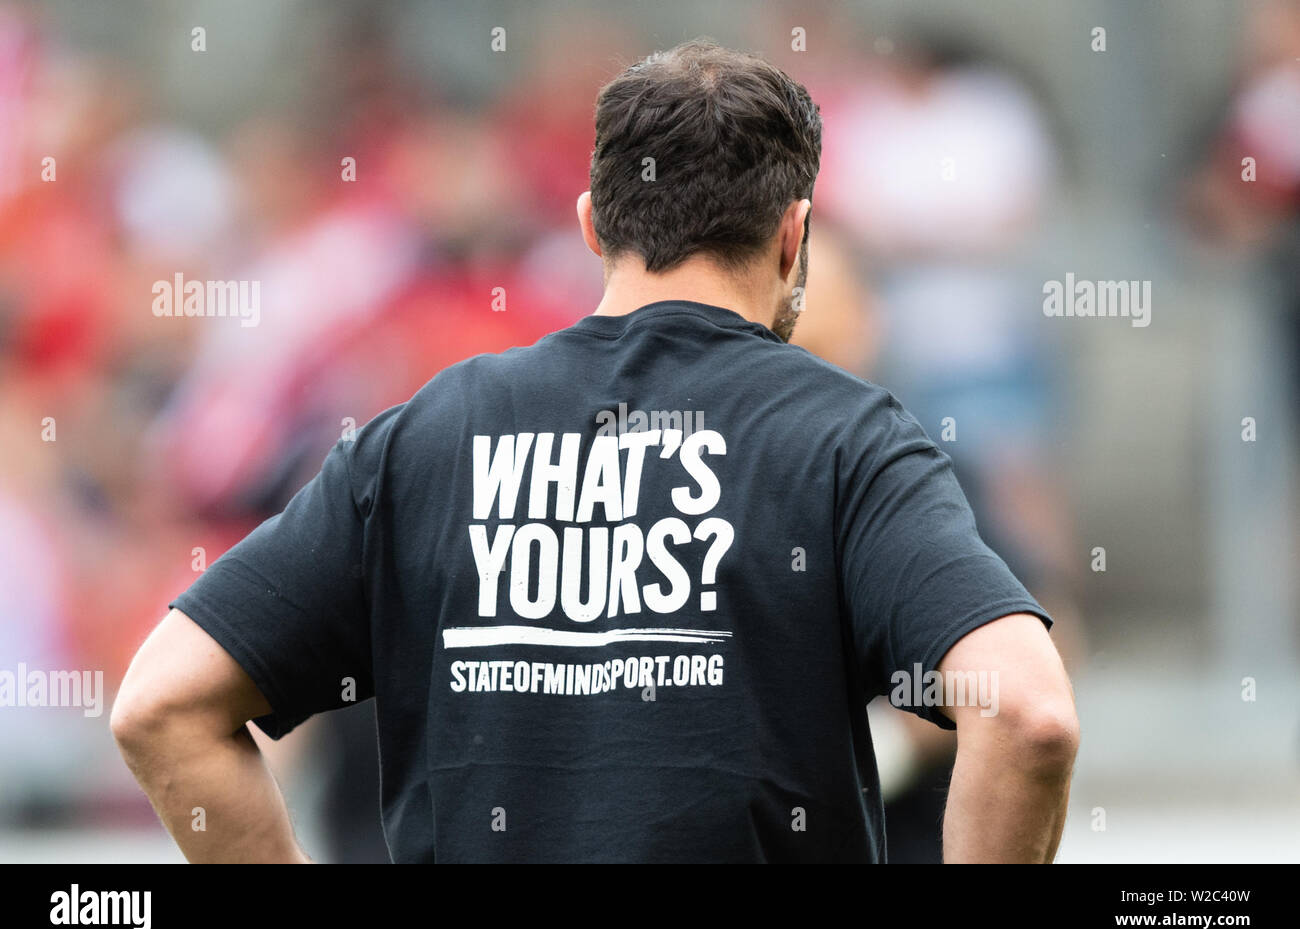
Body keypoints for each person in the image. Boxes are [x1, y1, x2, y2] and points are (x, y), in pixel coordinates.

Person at [111, 39, 1078, 864]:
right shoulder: (849, 438)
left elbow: (160, 706)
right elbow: (1029, 712)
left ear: (590, 227)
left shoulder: (424, 435)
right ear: (795, 237)